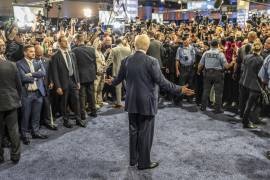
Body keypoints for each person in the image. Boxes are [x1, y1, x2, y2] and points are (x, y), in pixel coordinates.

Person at [105, 34, 194, 170]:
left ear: (135, 45)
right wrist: (179, 89)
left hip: (131, 102)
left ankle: (133, 160)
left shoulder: (126, 60)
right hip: (147, 103)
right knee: (145, 134)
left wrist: (112, 81)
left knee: (133, 131)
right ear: (147, 46)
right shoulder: (151, 61)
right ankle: (144, 163)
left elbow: (118, 79)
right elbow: (162, 82)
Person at [17, 45, 48, 145]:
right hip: (27, 94)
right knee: (25, 116)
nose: (34, 53)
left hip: (38, 92)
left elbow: (43, 73)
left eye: (34, 51)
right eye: (31, 52)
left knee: (36, 114)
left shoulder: (38, 61)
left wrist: (30, 74)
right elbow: (22, 78)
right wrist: (35, 75)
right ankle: (24, 135)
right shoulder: (19, 63)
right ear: (25, 53)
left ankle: (35, 132)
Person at [51, 35, 85, 128]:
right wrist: (57, 86)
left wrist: (78, 81)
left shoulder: (72, 54)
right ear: (59, 43)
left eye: (67, 41)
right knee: (64, 103)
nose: (66, 43)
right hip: (62, 83)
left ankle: (78, 119)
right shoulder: (55, 56)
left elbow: (75, 69)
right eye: (64, 41)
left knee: (76, 101)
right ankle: (66, 121)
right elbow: (55, 73)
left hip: (73, 81)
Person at [198, 39, 234, 113]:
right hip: (218, 74)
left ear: (210, 45)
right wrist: (233, 62)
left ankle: (203, 107)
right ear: (218, 45)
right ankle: (218, 109)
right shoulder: (220, 54)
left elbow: (200, 65)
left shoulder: (206, 53)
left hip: (207, 73)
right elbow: (226, 66)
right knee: (218, 93)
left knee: (206, 91)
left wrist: (198, 71)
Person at [0, 39, 21, 164]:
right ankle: (15, 155)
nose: (3, 47)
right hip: (12, 101)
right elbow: (18, 86)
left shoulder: (11, 64)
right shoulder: (12, 65)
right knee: (13, 130)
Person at [239, 41, 264, 129]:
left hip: (244, 81)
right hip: (254, 85)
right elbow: (260, 74)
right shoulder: (260, 59)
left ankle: (242, 117)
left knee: (243, 102)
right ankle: (246, 122)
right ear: (261, 48)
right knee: (250, 105)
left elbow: (243, 68)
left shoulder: (247, 56)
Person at [72, 34, 97, 119]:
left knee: (82, 96)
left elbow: (74, 65)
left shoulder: (74, 50)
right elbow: (94, 63)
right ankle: (94, 111)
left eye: (75, 40)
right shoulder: (92, 49)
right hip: (91, 75)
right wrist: (95, 73)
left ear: (77, 40)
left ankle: (83, 115)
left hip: (81, 76)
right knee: (91, 94)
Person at [35, 45, 57, 130]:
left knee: (47, 105)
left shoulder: (47, 61)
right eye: (38, 55)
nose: (39, 57)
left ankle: (48, 121)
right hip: (36, 88)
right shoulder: (31, 62)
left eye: (41, 55)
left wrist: (51, 81)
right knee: (37, 107)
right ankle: (38, 123)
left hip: (46, 86)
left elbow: (50, 72)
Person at [107, 38, 131, 108]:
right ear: (121, 42)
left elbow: (109, 60)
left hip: (118, 70)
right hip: (128, 69)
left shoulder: (114, 49)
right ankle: (130, 102)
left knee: (118, 87)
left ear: (115, 43)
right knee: (128, 86)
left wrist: (103, 69)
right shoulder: (128, 49)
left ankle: (119, 103)